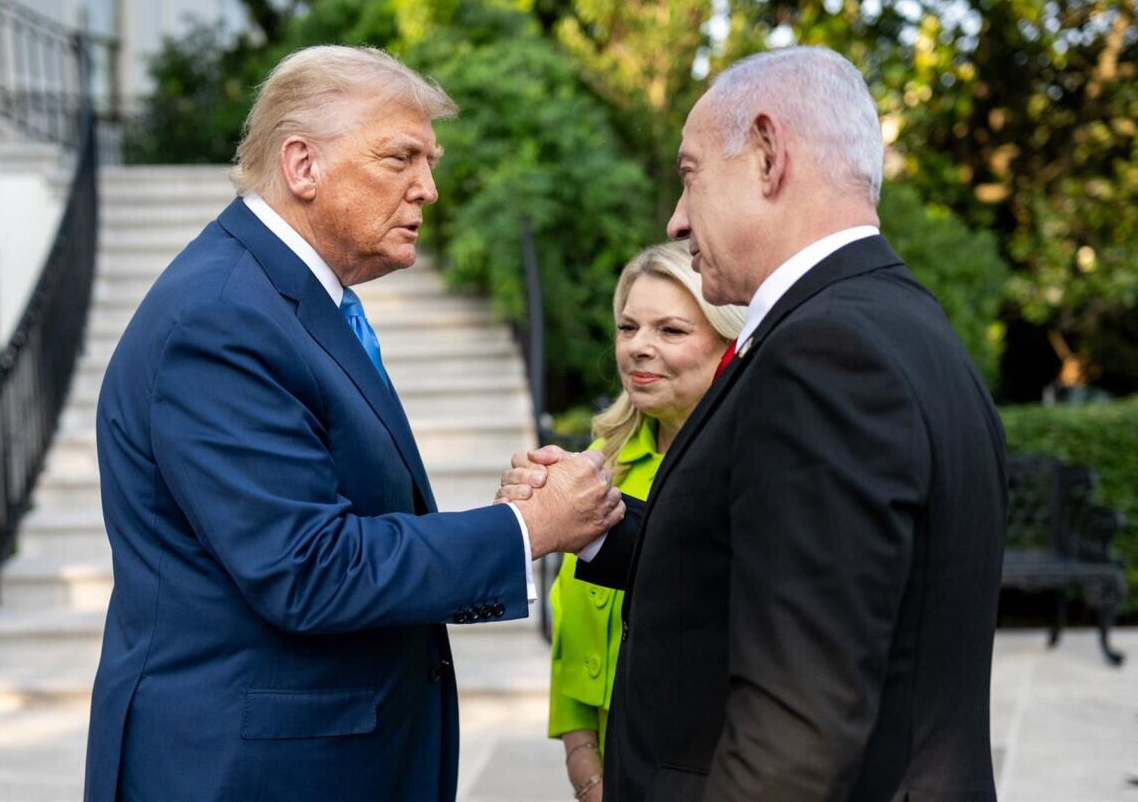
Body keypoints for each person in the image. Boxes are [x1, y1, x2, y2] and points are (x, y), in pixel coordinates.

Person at [84, 45, 623, 802]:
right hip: (243, 774)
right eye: (401, 157)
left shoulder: (281, 300)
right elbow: (307, 568)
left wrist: (515, 519)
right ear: (302, 165)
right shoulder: (221, 317)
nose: (428, 189)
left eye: (428, 160)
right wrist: (525, 529)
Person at [504, 46, 1007, 801]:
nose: (676, 217)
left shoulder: (825, 352)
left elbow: (798, 718)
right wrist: (603, 524)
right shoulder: (901, 321)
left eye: (689, 173)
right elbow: (764, 565)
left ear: (769, 155)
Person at [547, 242, 744, 802]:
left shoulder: (752, 468)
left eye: (671, 331)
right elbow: (570, 635)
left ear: (727, 342)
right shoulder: (600, 462)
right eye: (628, 327)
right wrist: (586, 769)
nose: (638, 347)